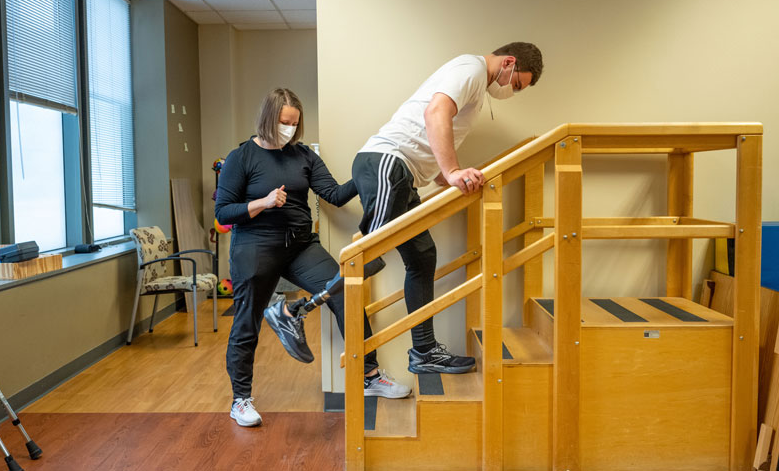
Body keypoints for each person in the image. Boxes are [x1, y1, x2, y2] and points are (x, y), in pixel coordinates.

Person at [215, 88, 410, 428]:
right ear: (267, 118)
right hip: (255, 246)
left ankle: (370, 376)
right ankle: (240, 399)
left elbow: (333, 194)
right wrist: (261, 202)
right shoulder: (241, 157)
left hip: (301, 245)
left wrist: (369, 175)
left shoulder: (303, 156)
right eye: (283, 122)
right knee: (247, 320)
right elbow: (223, 211)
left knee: (346, 292)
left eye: (294, 123)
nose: (289, 129)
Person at [351, 42, 544, 374]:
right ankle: (294, 312)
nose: (511, 92)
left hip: (404, 174)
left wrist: (448, 176)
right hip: (387, 164)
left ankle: (424, 352)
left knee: (422, 256)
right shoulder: (470, 69)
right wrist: (454, 171)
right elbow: (435, 113)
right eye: (515, 84)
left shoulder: (475, 86)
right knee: (366, 256)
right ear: (509, 62)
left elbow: (437, 135)